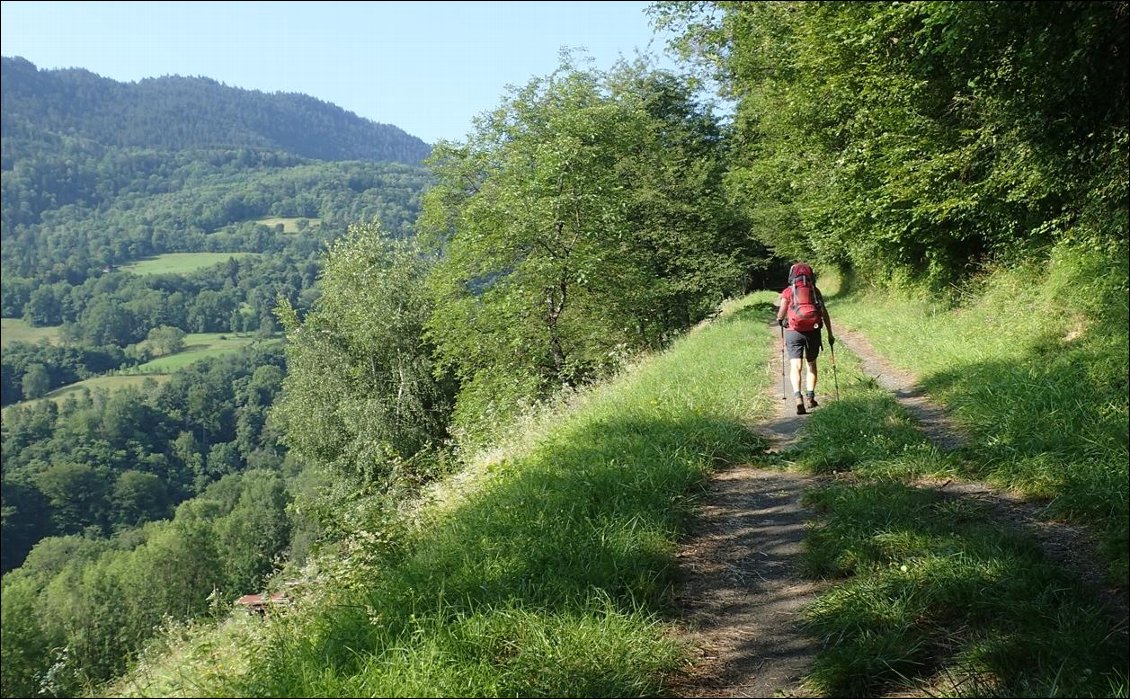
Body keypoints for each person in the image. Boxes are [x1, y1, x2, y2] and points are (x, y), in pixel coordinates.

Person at [774, 262, 834, 415]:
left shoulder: (788, 291)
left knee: (795, 366)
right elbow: (824, 312)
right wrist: (829, 333)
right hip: (813, 331)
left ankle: (797, 397)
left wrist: (781, 320)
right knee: (811, 365)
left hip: (794, 332)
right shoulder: (815, 290)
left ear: (792, 276)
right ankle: (811, 397)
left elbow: (780, 315)